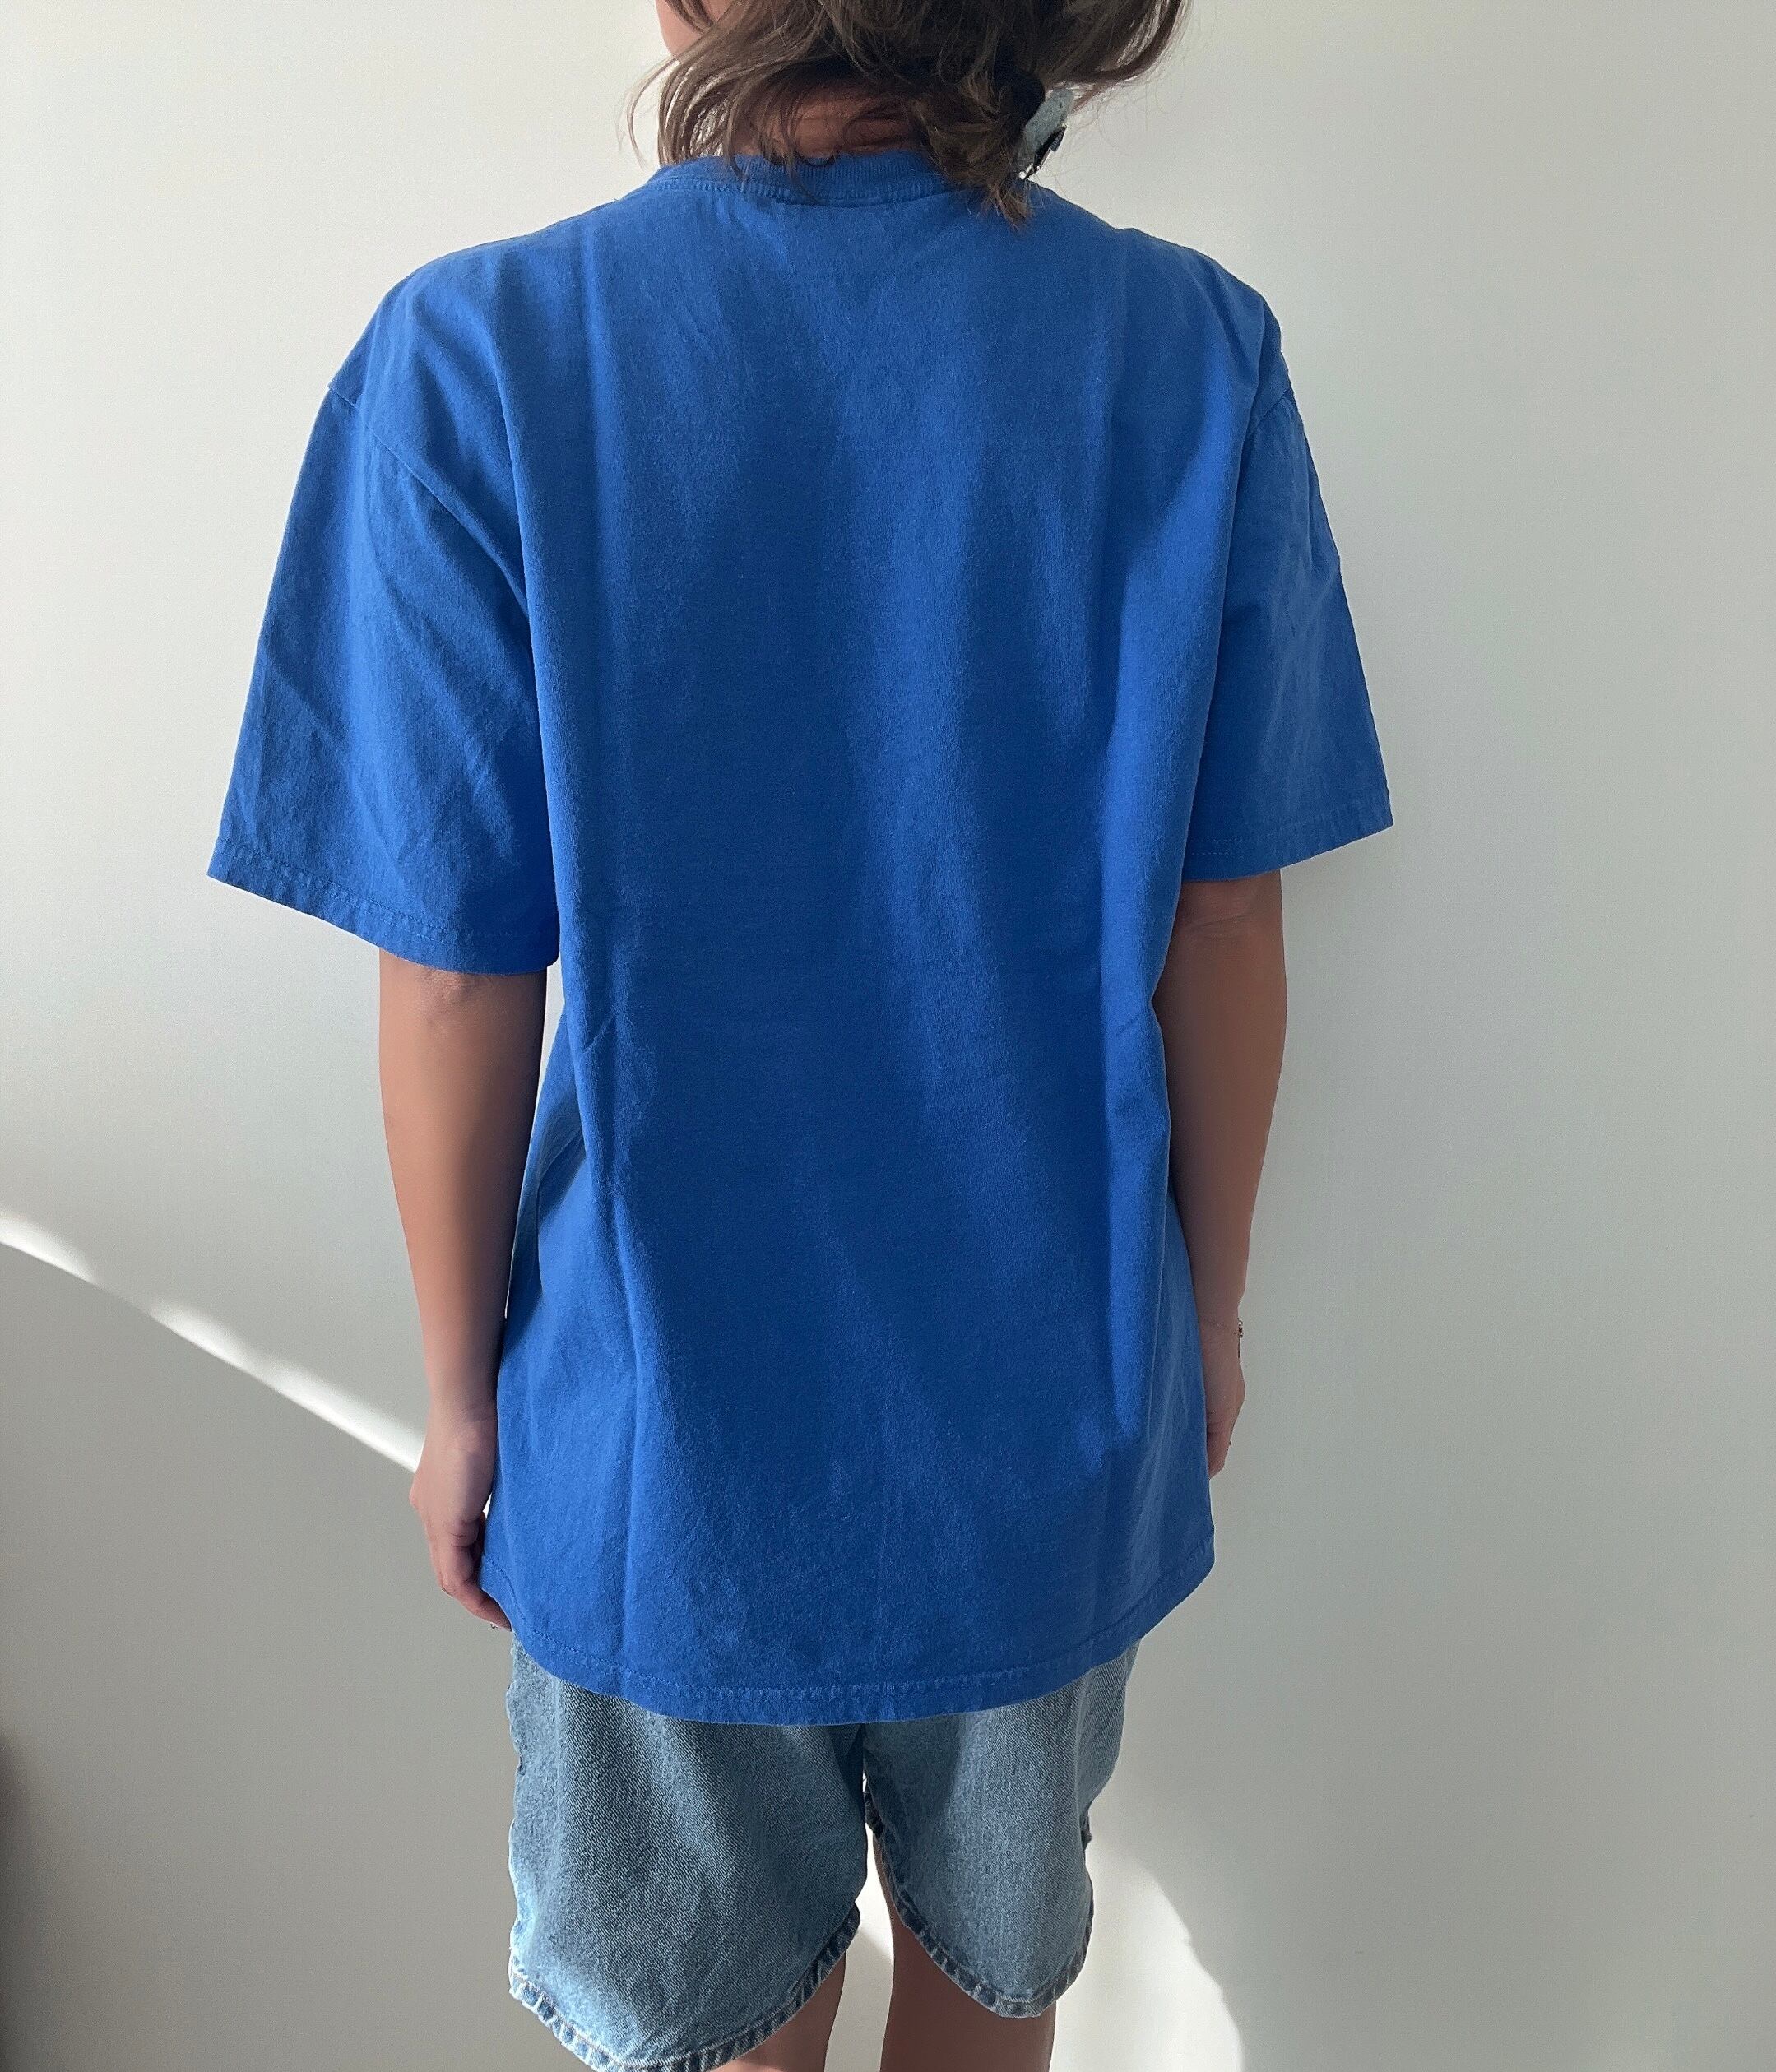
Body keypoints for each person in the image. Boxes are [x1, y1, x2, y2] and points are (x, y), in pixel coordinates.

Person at [207, 0, 1392, 2063]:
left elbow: (460, 970)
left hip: (655, 1432)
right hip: (1049, 1401)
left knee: (710, 2031)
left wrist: (463, 1400)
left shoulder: (481, 354)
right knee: (993, 1999)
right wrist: (1204, 1318)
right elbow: (1223, 912)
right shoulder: (1194, 352)